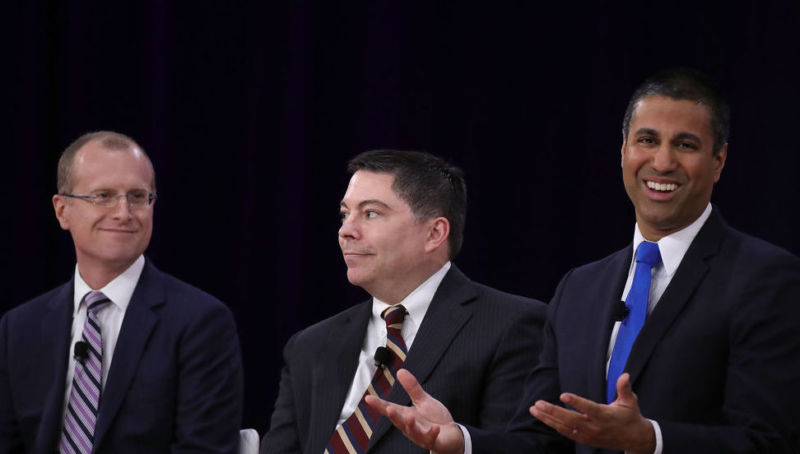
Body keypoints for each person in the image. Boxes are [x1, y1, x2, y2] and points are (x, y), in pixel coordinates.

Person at [366, 69, 800, 453]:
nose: (663, 162)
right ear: (624, 149)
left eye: (685, 145)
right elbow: (541, 440)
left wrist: (652, 440)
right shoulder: (581, 287)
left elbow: (770, 440)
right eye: (647, 140)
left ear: (718, 160)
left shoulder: (766, 279)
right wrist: (461, 441)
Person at [260, 150, 546, 454]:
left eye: (370, 213)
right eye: (345, 214)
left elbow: (527, 448)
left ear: (434, 233)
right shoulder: (310, 345)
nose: (346, 231)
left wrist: (459, 445)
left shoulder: (509, 325)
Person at [0, 131, 244, 453]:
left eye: (138, 197)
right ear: (62, 211)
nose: (123, 213)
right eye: (102, 196)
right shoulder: (19, 328)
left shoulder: (200, 323)